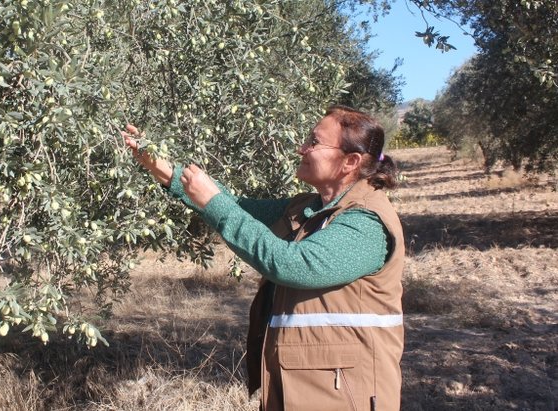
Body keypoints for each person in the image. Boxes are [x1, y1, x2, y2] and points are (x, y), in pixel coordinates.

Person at [123, 105, 405, 411]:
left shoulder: (366, 222)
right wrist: (158, 165)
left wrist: (216, 203)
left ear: (350, 161)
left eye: (314, 142)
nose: (302, 148)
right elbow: (238, 207)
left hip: (344, 396)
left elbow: (294, 265)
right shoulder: (308, 209)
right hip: (301, 388)